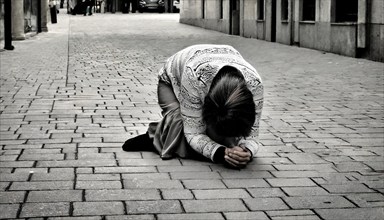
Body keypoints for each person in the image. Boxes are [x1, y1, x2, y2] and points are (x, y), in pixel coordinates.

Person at [122, 44, 263, 168]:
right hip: (171, 82)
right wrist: (221, 153)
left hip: (206, 78)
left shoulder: (255, 85)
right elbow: (193, 133)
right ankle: (154, 137)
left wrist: (246, 151)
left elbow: (253, 134)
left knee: (224, 133)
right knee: (181, 124)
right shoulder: (194, 76)